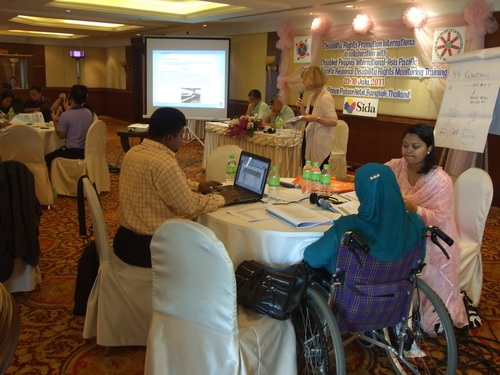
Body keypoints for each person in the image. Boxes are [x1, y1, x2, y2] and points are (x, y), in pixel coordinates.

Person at [113, 107, 239, 268]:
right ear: (170, 138)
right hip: (151, 248)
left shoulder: (133, 153)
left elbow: (166, 183)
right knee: (210, 252)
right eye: (181, 135)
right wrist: (222, 198)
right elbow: (189, 206)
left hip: (124, 240)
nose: (182, 139)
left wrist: (198, 186)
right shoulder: (164, 162)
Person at [385, 123, 468, 329]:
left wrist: (415, 209)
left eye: (415, 146)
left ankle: (409, 311)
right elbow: (375, 178)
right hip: (400, 229)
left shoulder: (440, 181)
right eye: (405, 145)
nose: (408, 151)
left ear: (429, 149)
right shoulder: (395, 167)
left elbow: (442, 219)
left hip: (433, 237)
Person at [304, 163, 425, 274]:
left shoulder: (347, 227)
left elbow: (313, 258)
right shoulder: (416, 223)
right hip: (396, 290)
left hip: (352, 292)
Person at [296, 66, 338, 168]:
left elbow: (333, 121)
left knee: (317, 171)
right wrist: (302, 107)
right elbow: (307, 117)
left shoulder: (325, 98)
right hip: (309, 137)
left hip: (320, 141)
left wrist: (316, 119)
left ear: (311, 80)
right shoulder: (311, 97)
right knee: (307, 168)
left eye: (304, 80)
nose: (303, 82)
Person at [44, 85, 94, 169]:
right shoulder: (88, 113)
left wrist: (55, 121)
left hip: (70, 151)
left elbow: (61, 136)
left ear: (70, 97)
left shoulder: (66, 115)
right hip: (85, 151)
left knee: (46, 159)